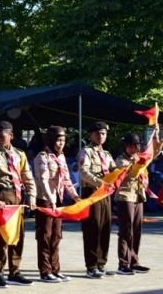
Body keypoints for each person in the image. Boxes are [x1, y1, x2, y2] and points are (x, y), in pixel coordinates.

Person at [0, 120, 37, 288]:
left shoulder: (20, 154)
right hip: (3, 196)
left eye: (2, 136)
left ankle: (15, 271)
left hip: (18, 197)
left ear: (11, 136)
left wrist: (33, 197)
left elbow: (28, 177)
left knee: (17, 236)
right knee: (1, 238)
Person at [34, 126, 80, 283]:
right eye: (58, 140)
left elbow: (66, 179)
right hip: (46, 200)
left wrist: (75, 196)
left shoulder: (61, 157)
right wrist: (50, 199)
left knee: (56, 236)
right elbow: (43, 180)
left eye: (63, 140)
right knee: (45, 236)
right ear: (51, 140)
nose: (61, 143)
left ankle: (55, 269)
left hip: (58, 200)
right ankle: (45, 271)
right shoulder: (43, 157)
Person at [114, 127, 161, 275]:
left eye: (136, 146)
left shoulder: (140, 157)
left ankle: (134, 261)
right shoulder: (121, 159)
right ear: (125, 147)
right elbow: (132, 172)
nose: (133, 149)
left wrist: (156, 134)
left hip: (138, 196)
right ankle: (123, 263)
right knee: (125, 230)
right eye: (130, 146)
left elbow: (155, 152)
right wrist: (137, 162)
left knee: (137, 230)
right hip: (125, 196)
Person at [78, 121, 116, 278]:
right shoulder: (85, 152)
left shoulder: (106, 154)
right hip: (92, 192)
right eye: (98, 133)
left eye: (103, 133)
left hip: (105, 193)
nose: (101, 136)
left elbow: (115, 170)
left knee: (105, 228)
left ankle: (101, 263)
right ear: (90, 135)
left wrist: (128, 168)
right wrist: (102, 183)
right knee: (92, 228)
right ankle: (91, 266)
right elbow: (83, 172)